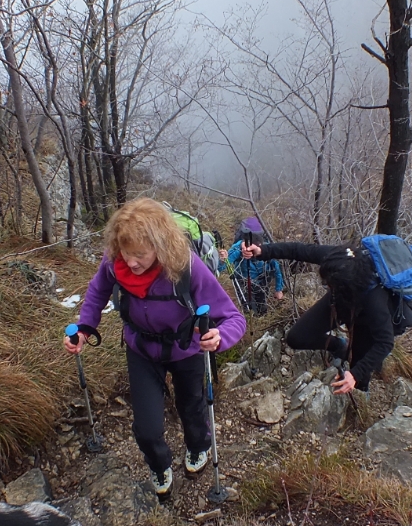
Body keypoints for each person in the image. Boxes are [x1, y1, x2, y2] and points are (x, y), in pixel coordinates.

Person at [66, 198, 246, 498]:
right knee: (147, 428)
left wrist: (219, 337)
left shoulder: (186, 265)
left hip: (186, 348)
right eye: (126, 252)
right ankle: (160, 464)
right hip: (141, 348)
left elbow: (233, 318)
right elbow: (98, 290)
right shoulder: (115, 262)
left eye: (140, 254)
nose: (131, 262)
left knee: (192, 409)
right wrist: (85, 327)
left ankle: (198, 447)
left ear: (160, 246)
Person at [240, 239, 393, 395]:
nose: (326, 285)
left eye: (329, 283)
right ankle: (340, 346)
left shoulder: (375, 300)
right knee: (296, 337)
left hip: (365, 317)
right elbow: (297, 249)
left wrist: (355, 375)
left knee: (359, 368)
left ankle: (362, 394)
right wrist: (263, 251)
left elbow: (386, 342)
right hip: (339, 299)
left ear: (343, 283)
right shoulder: (336, 259)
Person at [223, 216, 285, 315]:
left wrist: (279, 289)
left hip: (262, 282)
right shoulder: (238, 248)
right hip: (244, 283)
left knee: (262, 308)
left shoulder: (266, 248)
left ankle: (261, 318)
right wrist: (224, 258)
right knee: (249, 310)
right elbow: (222, 266)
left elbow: (276, 268)